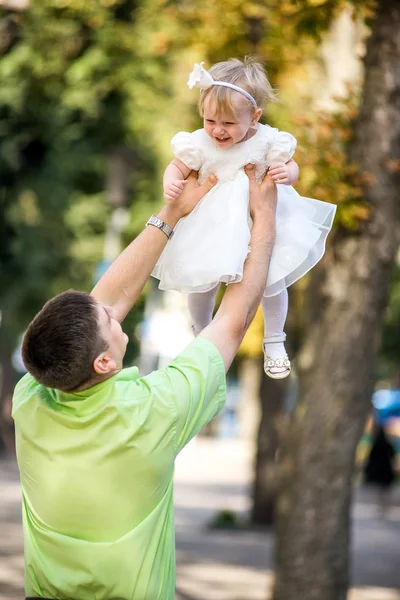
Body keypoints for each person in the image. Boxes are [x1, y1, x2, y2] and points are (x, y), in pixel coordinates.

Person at [12, 165, 277, 600]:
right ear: (102, 363)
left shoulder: (31, 398)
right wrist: (264, 217)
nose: (115, 313)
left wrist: (173, 211)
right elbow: (232, 320)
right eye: (109, 322)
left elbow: (106, 303)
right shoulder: (155, 411)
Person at [153, 57, 337, 379]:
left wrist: (287, 173)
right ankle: (202, 335)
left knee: (273, 281)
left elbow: (292, 165)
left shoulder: (268, 141)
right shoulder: (199, 142)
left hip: (261, 225)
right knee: (202, 285)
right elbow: (177, 166)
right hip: (213, 227)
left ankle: (275, 339)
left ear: (254, 117)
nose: (217, 131)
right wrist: (171, 180)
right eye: (211, 120)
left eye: (228, 123)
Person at [364, 424, 397, 517]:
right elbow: (393, 457)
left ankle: (381, 507)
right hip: (386, 471)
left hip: (378, 472)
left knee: (379, 490)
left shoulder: (375, 445)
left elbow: (370, 459)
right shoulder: (388, 445)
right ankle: (384, 507)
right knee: (385, 490)